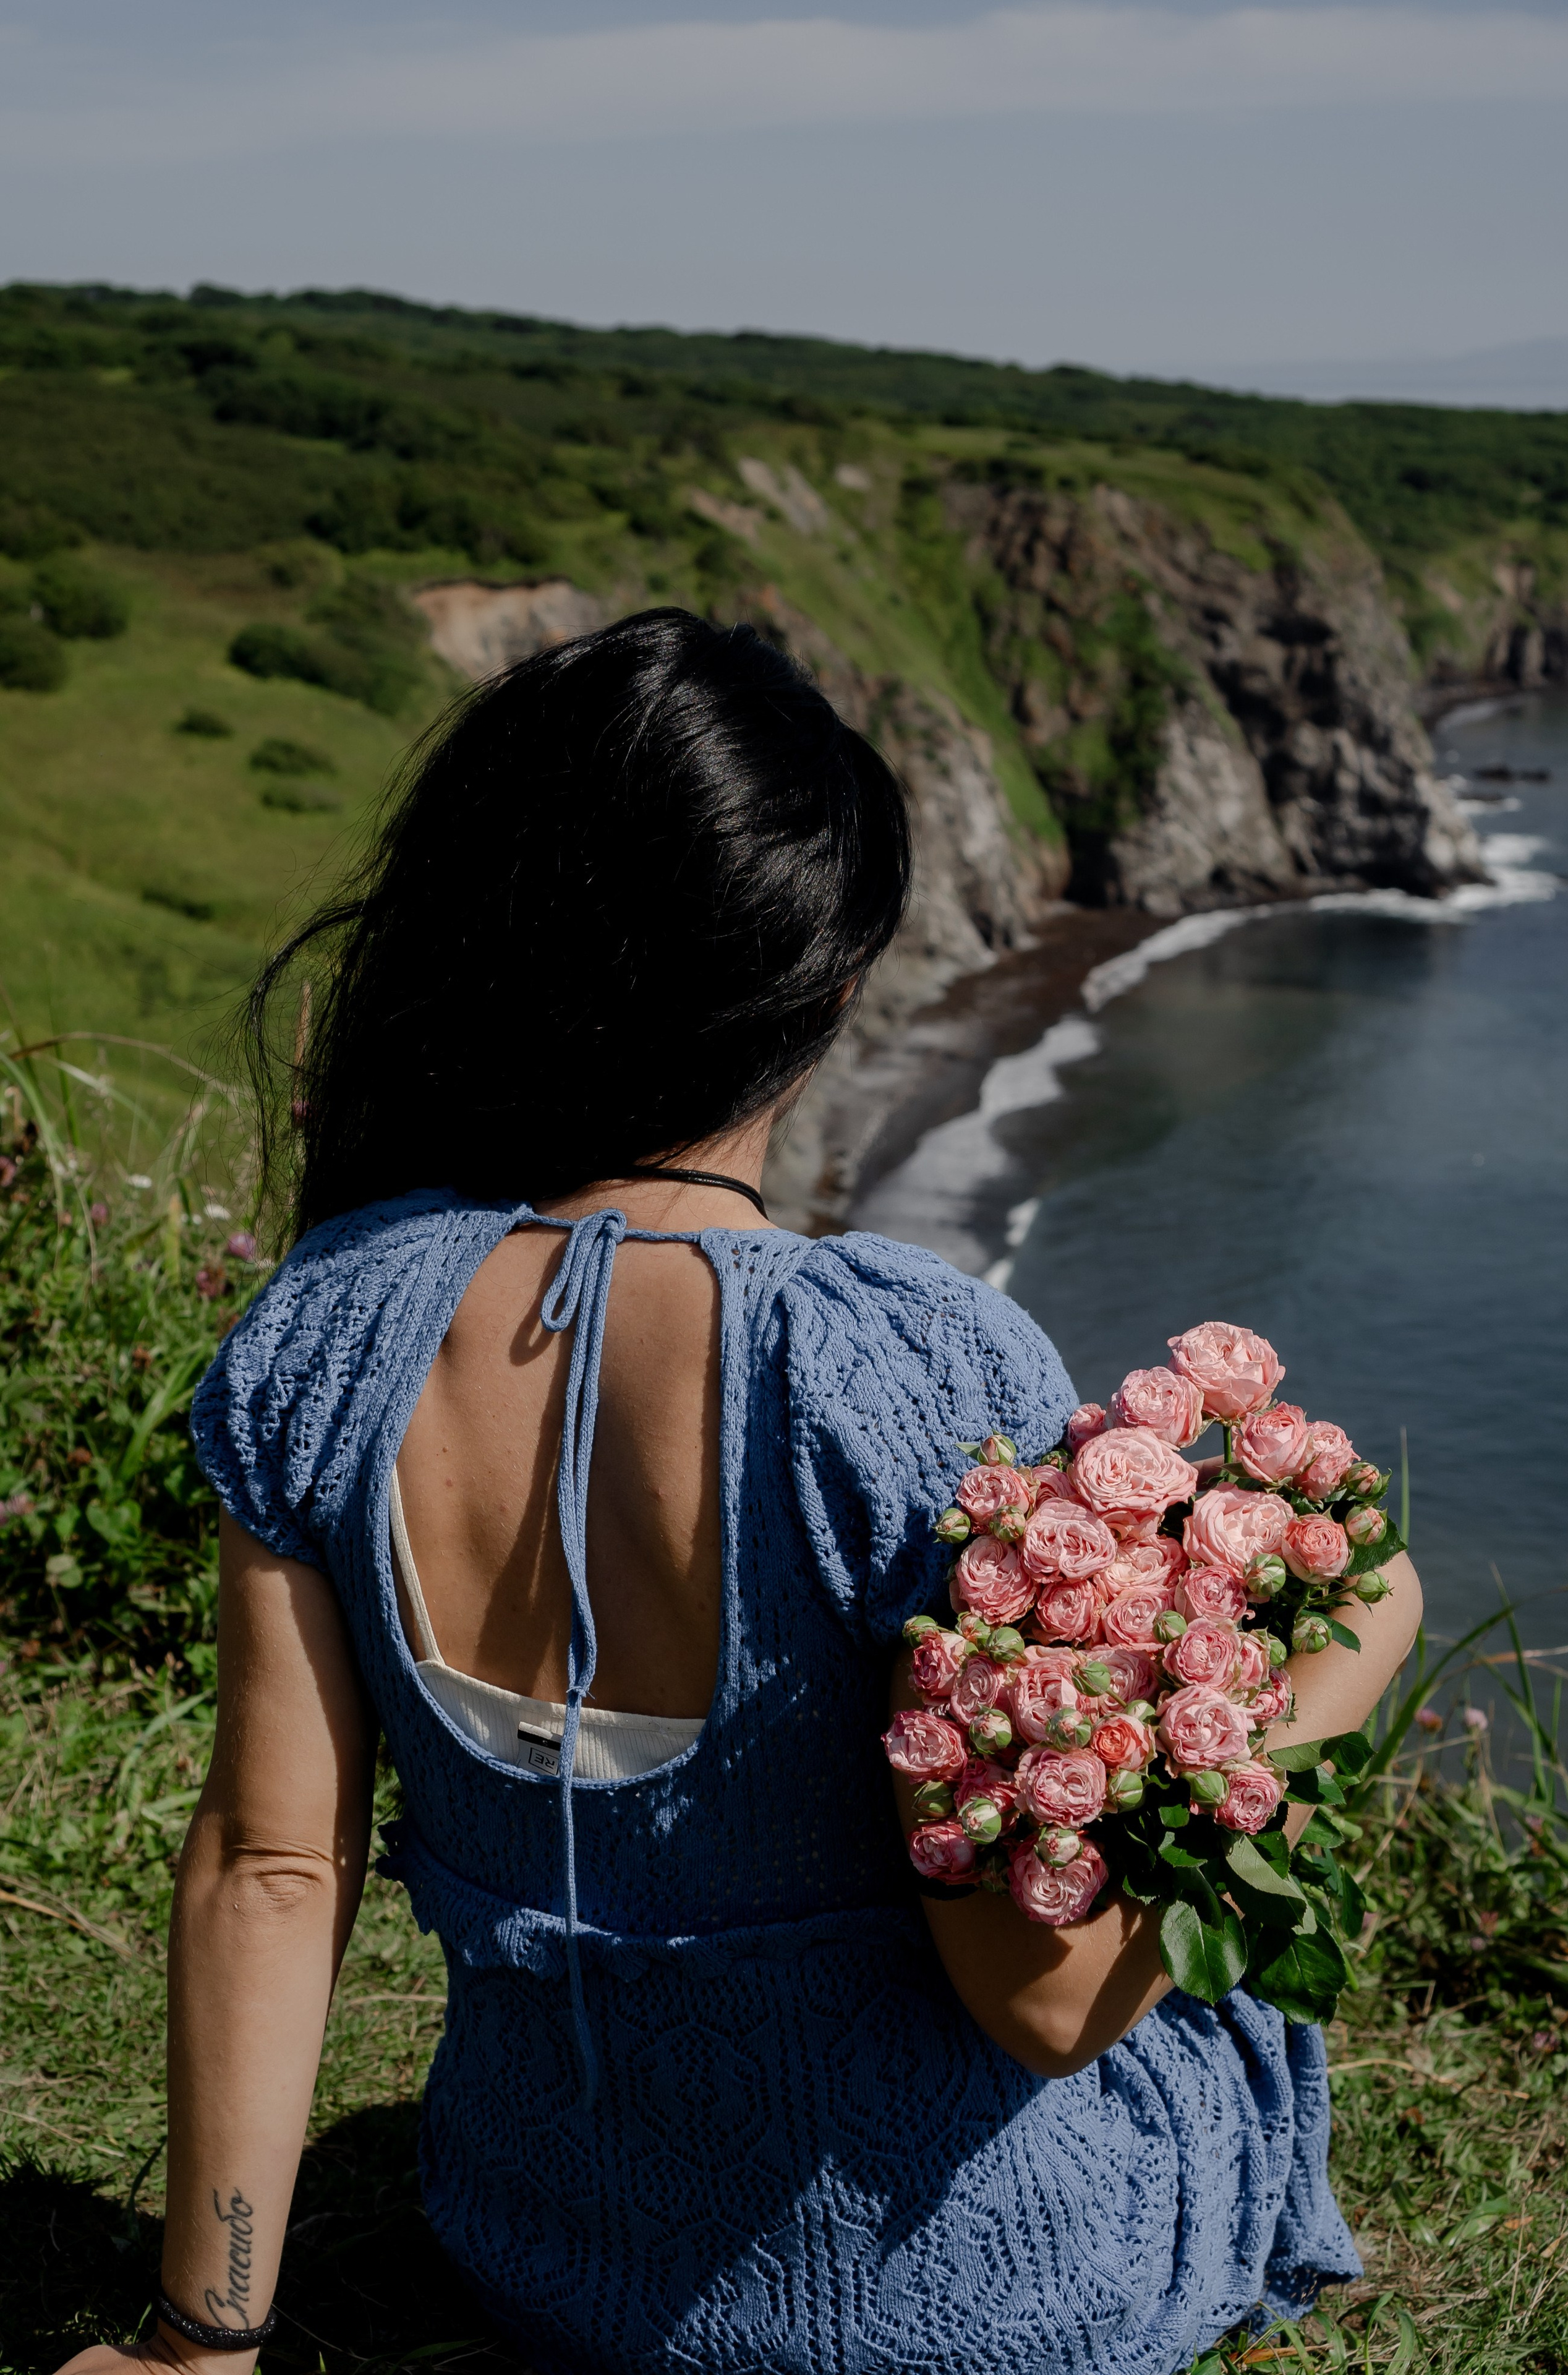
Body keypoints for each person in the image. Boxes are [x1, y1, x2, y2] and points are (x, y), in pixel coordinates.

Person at [59, 610, 1418, 2375]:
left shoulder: (325, 1336)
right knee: (1221, 2012)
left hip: (549, 2262)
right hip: (983, 2311)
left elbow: (270, 1867)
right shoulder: (900, 1372)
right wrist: (1340, 1657)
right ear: (832, 989)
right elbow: (1048, 2004)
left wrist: (201, 2343)